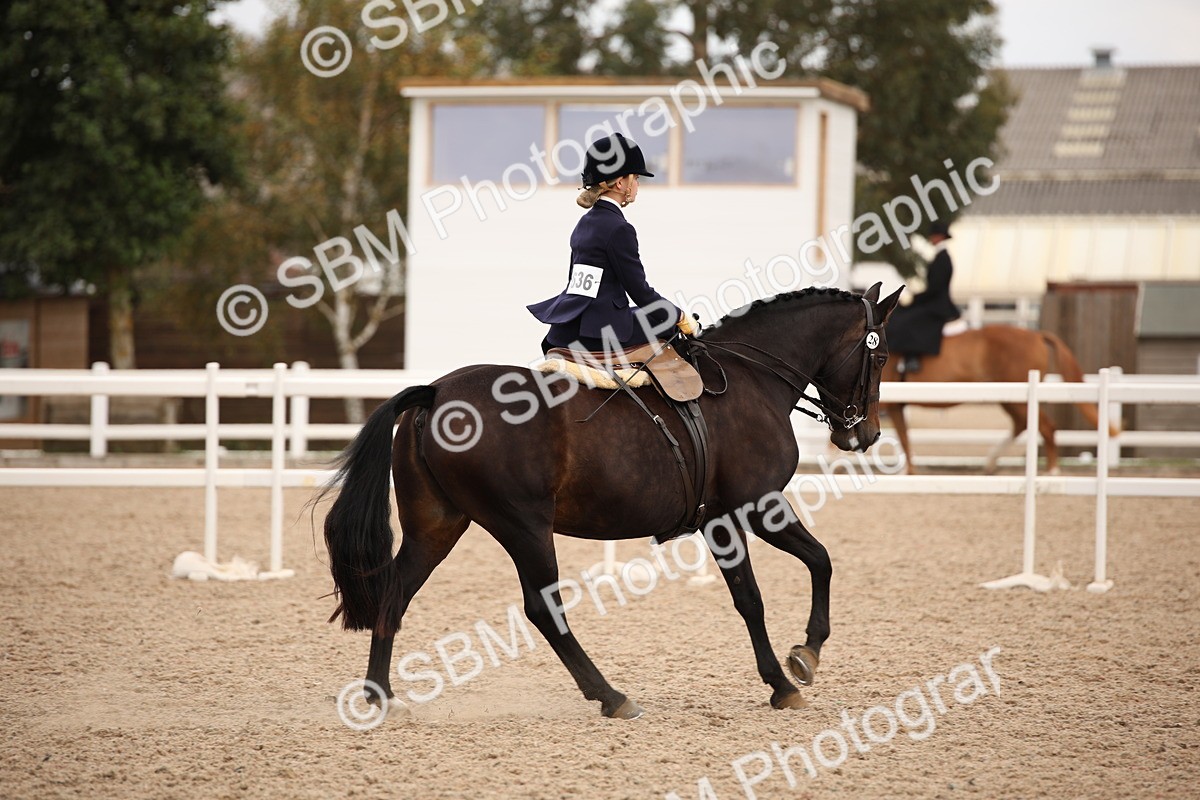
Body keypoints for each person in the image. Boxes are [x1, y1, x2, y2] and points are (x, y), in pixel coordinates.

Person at [527, 133, 697, 358]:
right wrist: (680, 317)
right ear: (620, 183)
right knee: (670, 328)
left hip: (569, 325)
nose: (637, 184)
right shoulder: (619, 228)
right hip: (602, 333)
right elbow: (640, 292)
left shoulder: (584, 223)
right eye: (635, 178)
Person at [885, 220, 962, 374]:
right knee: (902, 312)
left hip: (938, 305)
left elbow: (935, 289)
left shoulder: (943, 258)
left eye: (933, 236)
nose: (931, 239)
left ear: (939, 237)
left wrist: (914, 299)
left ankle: (912, 359)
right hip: (934, 301)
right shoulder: (940, 256)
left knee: (906, 320)